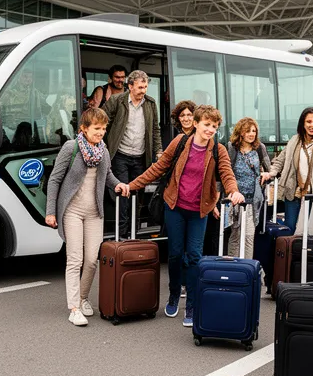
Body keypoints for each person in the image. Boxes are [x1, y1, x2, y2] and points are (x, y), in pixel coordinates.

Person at [125, 105, 244, 327]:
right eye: (207, 124)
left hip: (199, 211)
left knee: (194, 256)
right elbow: (158, 168)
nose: (210, 129)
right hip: (175, 207)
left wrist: (234, 191)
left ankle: (191, 304)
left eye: (214, 126)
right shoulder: (180, 143)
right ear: (196, 123)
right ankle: (173, 295)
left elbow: (227, 174)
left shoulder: (218, 150)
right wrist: (131, 186)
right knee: (175, 254)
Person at [44, 108, 128, 326]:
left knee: (91, 261)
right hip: (72, 210)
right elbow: (54, 179)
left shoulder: (103, 151)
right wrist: (50, 211)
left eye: (104, 129)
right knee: (75, 259)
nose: (101, 132)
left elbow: (107, 175)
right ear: (84, 128)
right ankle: (74, 308)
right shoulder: (71, 148)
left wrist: (118, 184)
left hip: (94, 213)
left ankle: (83, 298)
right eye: (97, 128)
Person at [102, 70, 162, 239]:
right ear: (130, 86)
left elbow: (155, 129)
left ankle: (133, 234)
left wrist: (158, 151)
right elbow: (101, 121)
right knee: (123, 194)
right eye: (140, 87)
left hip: (141, 157)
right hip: (120, 155)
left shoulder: (150, 103)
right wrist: (102, 145)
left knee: (137, 195)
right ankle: (121, 235)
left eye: (145, 87)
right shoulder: (117, 100)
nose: (143, 90)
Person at [266, 107, 313, 235]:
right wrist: (271, 173)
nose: (312, 125)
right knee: (290, 228)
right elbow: (280, 160)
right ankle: (292, 248)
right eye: (308, 122)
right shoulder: (294, 140)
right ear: (303, 124)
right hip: (294, 189)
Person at [226, 117, 271, 259]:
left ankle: (247, 266)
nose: (252, 134)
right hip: (235, 199)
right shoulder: (232, 148)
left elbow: (269, 169)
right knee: (235, 234)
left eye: (254, 131)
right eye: (248, 131)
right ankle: (233, 265)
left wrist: (267, 174)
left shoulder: (260, 148)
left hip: (253, 199)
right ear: (240, 132)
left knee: (249, 235)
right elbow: (225, 172)